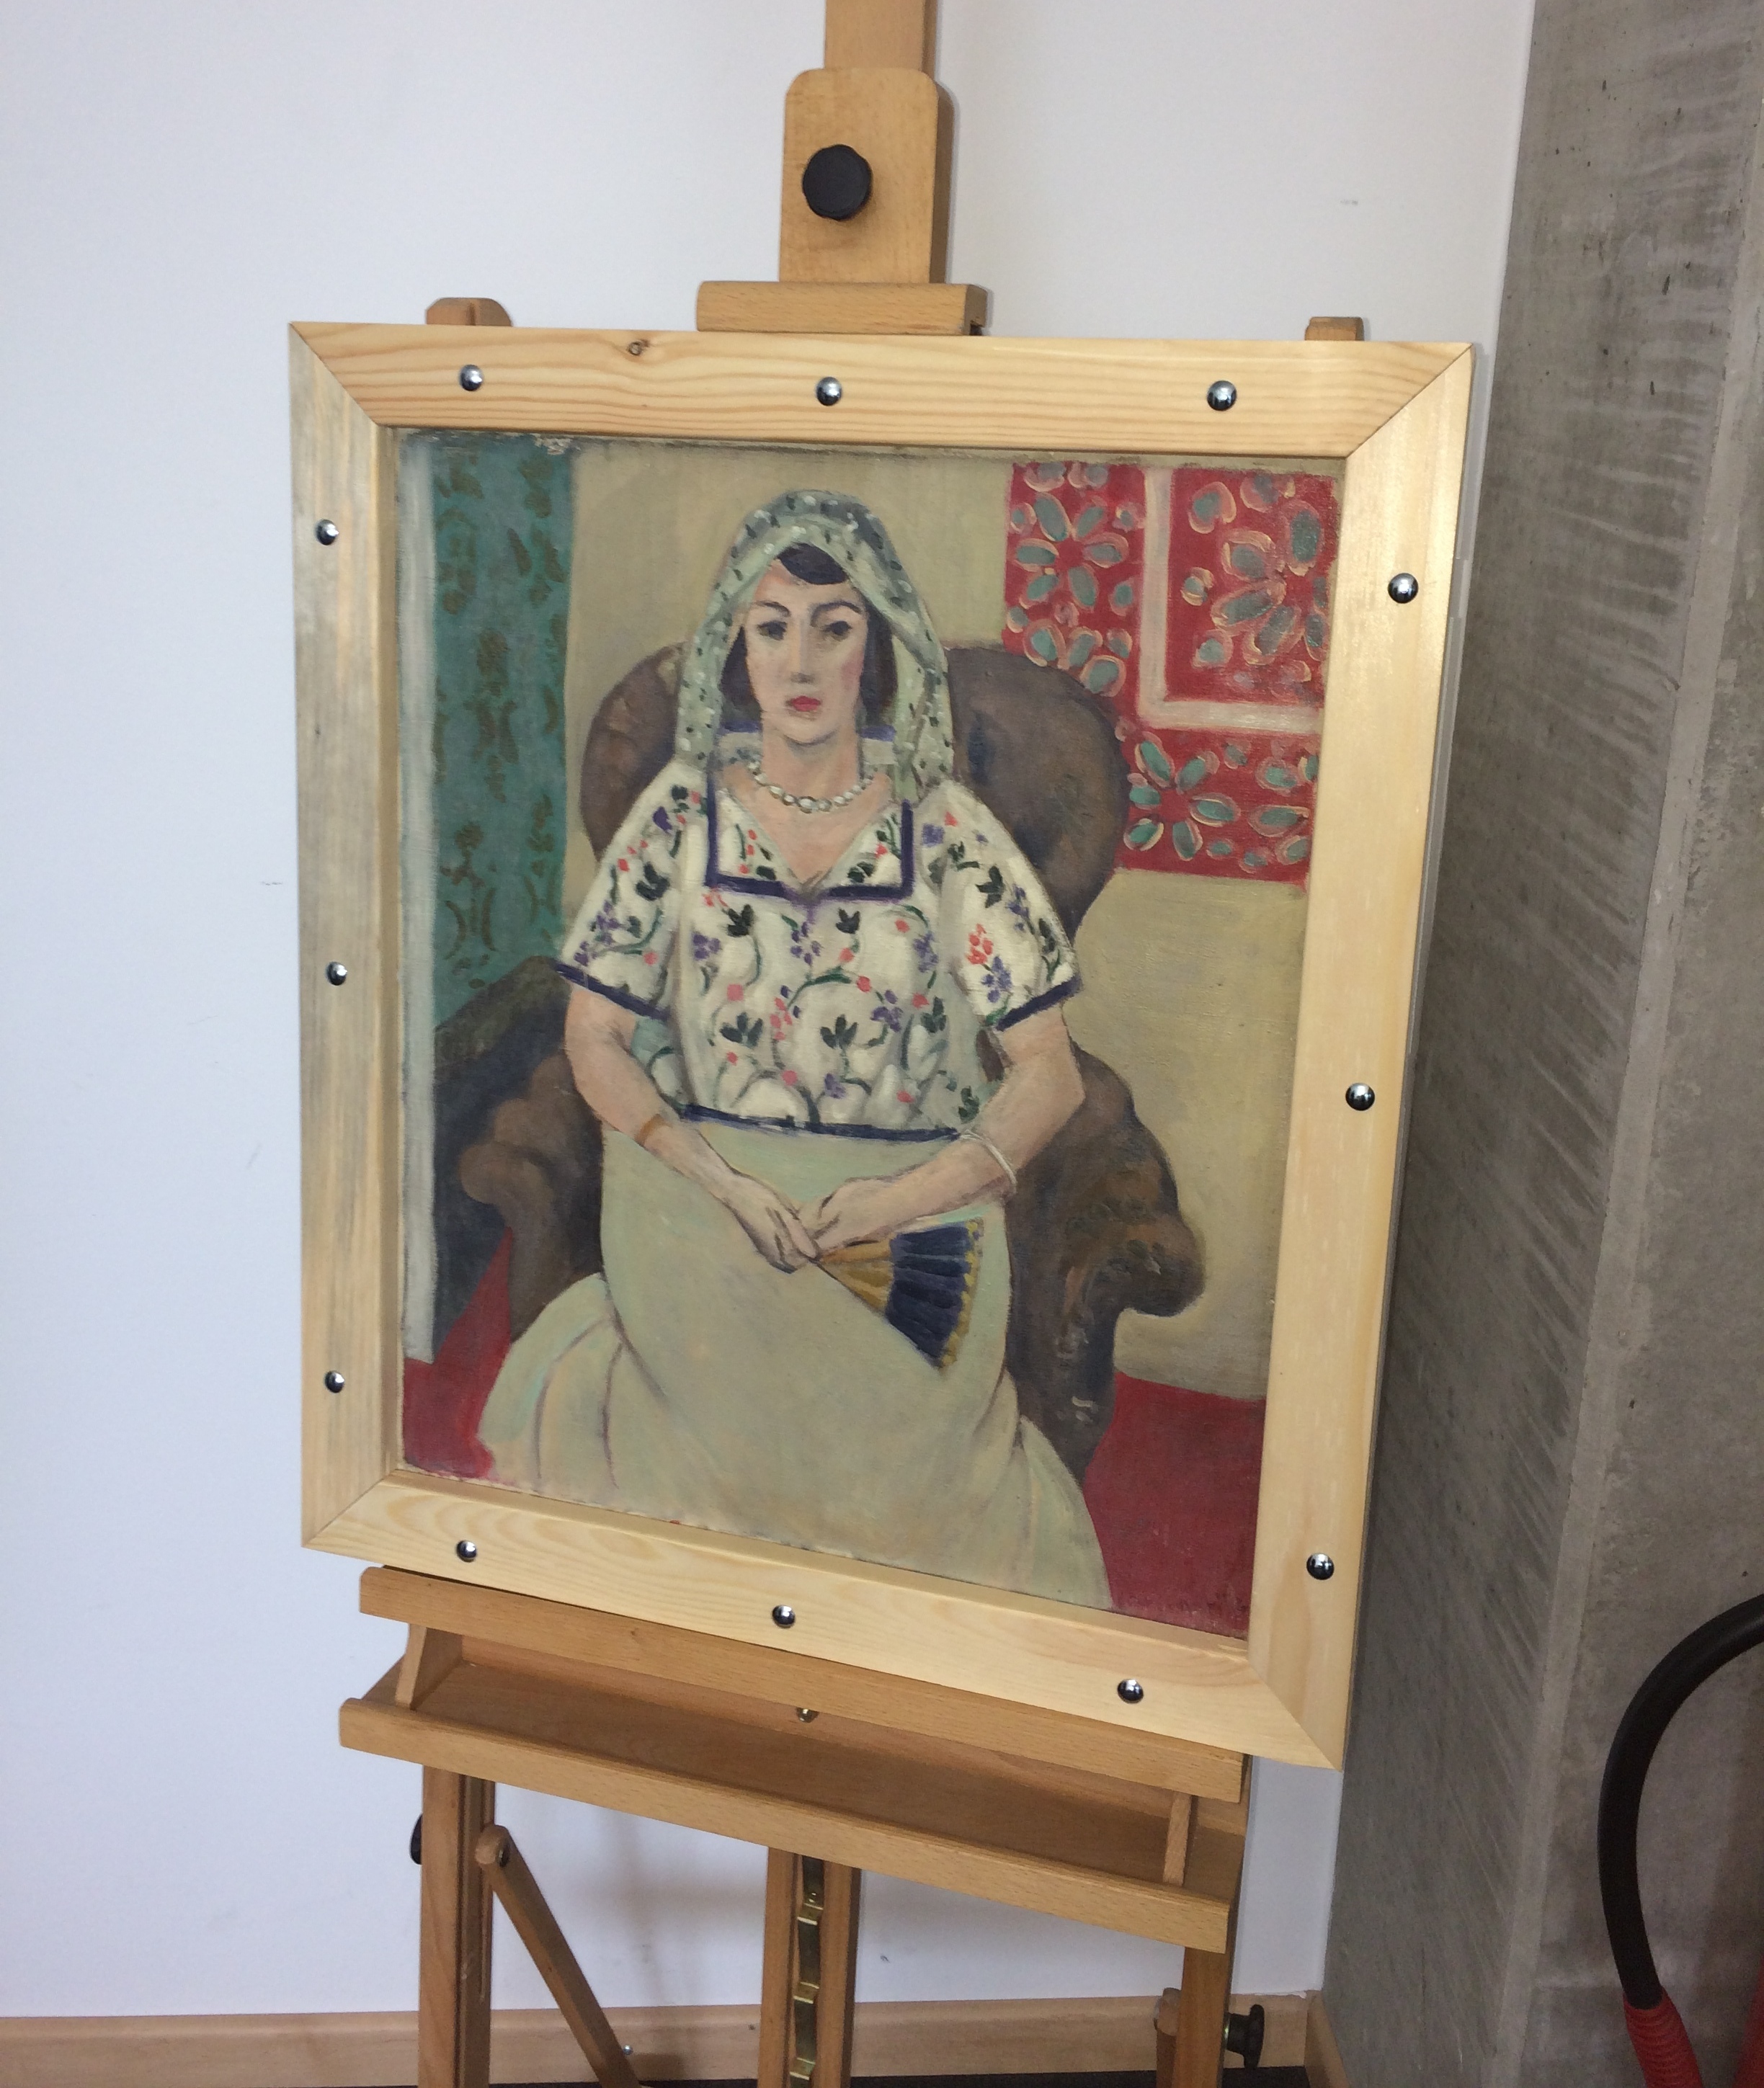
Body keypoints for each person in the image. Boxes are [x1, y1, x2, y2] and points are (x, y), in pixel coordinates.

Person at [477, 490, 1110, 1607]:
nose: (802, 660)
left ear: (877, 646)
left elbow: (1048, 1074)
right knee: (697, 1461)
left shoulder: (946, 830)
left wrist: (895, 1201)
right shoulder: (678, 817)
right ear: (737, 647)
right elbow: (595, 1038)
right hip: (701, 1206)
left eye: (834, 625)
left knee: (893, 1497)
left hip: (911, 1233)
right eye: (772, 627)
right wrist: (717, 1177)